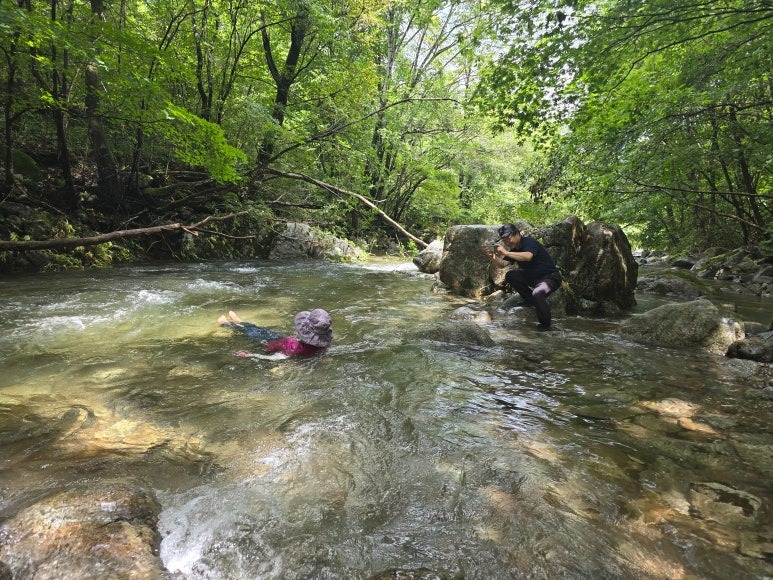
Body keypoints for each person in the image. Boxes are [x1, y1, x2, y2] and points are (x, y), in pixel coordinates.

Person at [483, 223, 562, 329]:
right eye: (504, 239)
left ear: (517, 233)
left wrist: (506, 252)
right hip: (533, 278)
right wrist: (493, 256)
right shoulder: (514, 250)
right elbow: (503, 264)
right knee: (510, 275)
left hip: (550, 277)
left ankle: (546, 327)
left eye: (508, 238)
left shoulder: (529, 242)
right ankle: (531, 302)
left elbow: (528, 256)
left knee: (538, 294)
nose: (506, 241)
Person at [218, 308, 332, 358]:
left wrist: (251, 354)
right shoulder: (323, 345)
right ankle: (238, 321)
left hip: (268, 343)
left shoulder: (293, 346)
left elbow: (277, 357)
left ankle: (225, 324)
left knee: (253, 332)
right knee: (258, 329)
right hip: (279, 340)